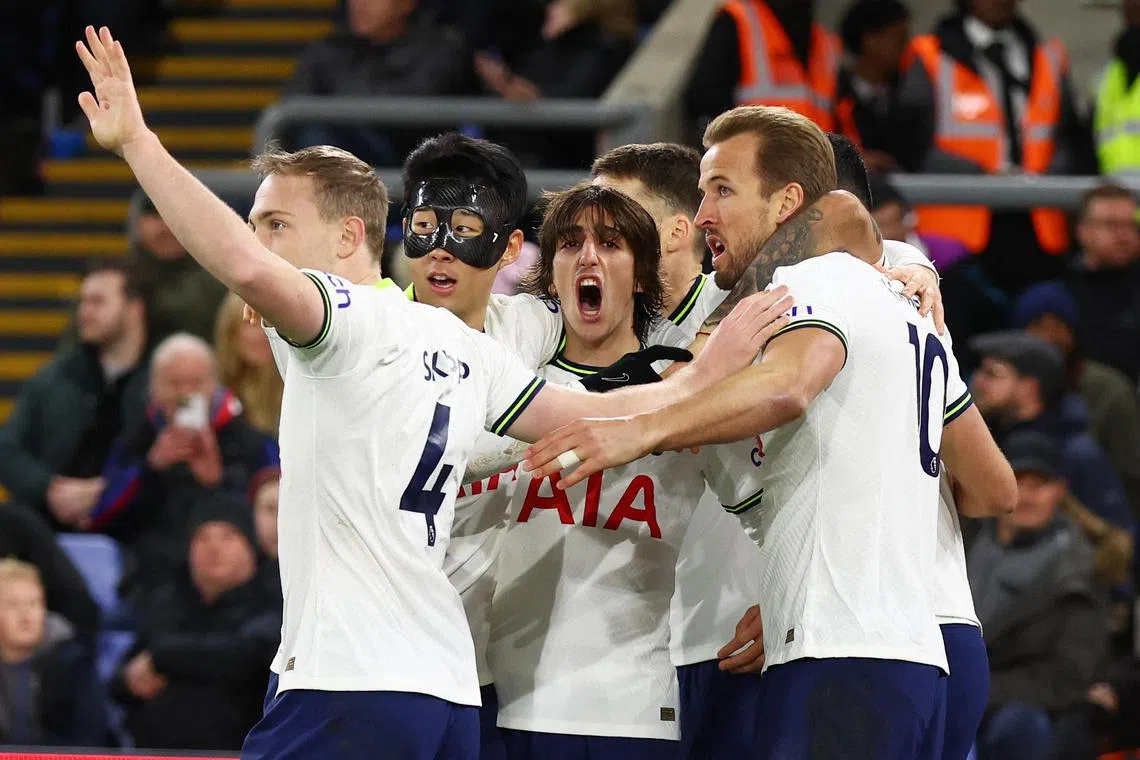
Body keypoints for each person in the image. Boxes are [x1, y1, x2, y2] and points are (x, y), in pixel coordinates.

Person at [74, 27, 789, 759]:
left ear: (349, 236)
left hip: (351, 675)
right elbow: (594, 414)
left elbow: (245, 269)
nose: (260, 243)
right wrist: (703, 374)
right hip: (447, 686)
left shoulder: (347, 327)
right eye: (256, 227)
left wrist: (138, 143)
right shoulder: (463, 346)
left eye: (276, 225)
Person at [523, 105, 1018, 760]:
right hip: (920, 639)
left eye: (721, 191)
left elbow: (788, 383)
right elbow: (993, 489)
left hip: (836, 645)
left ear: (788, 204)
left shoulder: (807, 285)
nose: (704, 212)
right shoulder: (901, 303)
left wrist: (638, 430)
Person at [489, 184, 767, 759]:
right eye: (570, 244)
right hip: (497, 703)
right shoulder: (506, 384)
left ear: (641, 276)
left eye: (610, 244)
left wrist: (782, 597)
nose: (587, 257)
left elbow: (771, 510)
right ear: (551, 274)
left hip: (632, 714)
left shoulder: (687, 395)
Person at [0, 262, 149, 531]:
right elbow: (7, 449)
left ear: (134, 309)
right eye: (83, 302)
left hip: (137, 529)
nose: (85, 312)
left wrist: (111, 490)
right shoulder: (54, 377)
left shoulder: (161, 380)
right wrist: (50, 488)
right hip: (46, 527)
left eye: (98, 301)